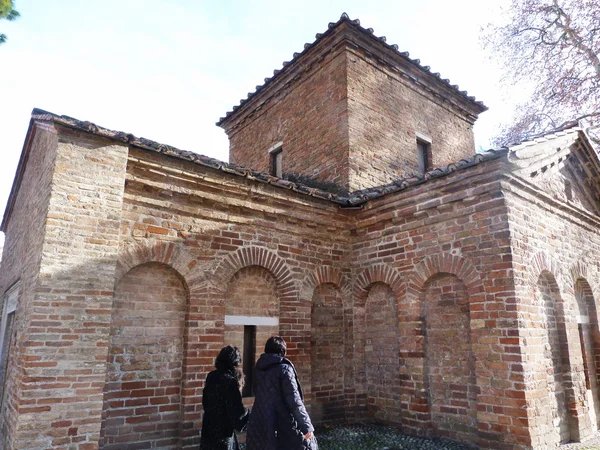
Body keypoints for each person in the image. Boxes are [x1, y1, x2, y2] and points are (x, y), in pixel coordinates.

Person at [246, 336, 317, 450]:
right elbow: (294, 401)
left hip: (260, 420)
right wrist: (306, 426)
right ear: (282, 351)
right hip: (282, 423)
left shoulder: (258, 369)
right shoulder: (284, 369)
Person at [200, 345, 250, 450]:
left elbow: (205, 402)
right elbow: (237, 415)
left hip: (208, 430)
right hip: (223, 436)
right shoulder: (229, 382)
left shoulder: (211, 376)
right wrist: (248, 413)